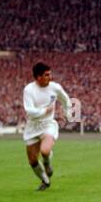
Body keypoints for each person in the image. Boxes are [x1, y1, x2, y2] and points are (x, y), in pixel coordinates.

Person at [22, 61, 72, 191]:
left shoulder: (55, 87)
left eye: (50, 74)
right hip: (32, 127)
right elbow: (29, 110)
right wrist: (44, 111)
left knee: (44, 150)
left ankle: (47, 164)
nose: (50, 77)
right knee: (32, 160)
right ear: (38, 77)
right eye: (46, 75)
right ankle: (45, 181)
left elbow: (65, 99)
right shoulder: (29, 90)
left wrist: (68, 113)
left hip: (48, 124)